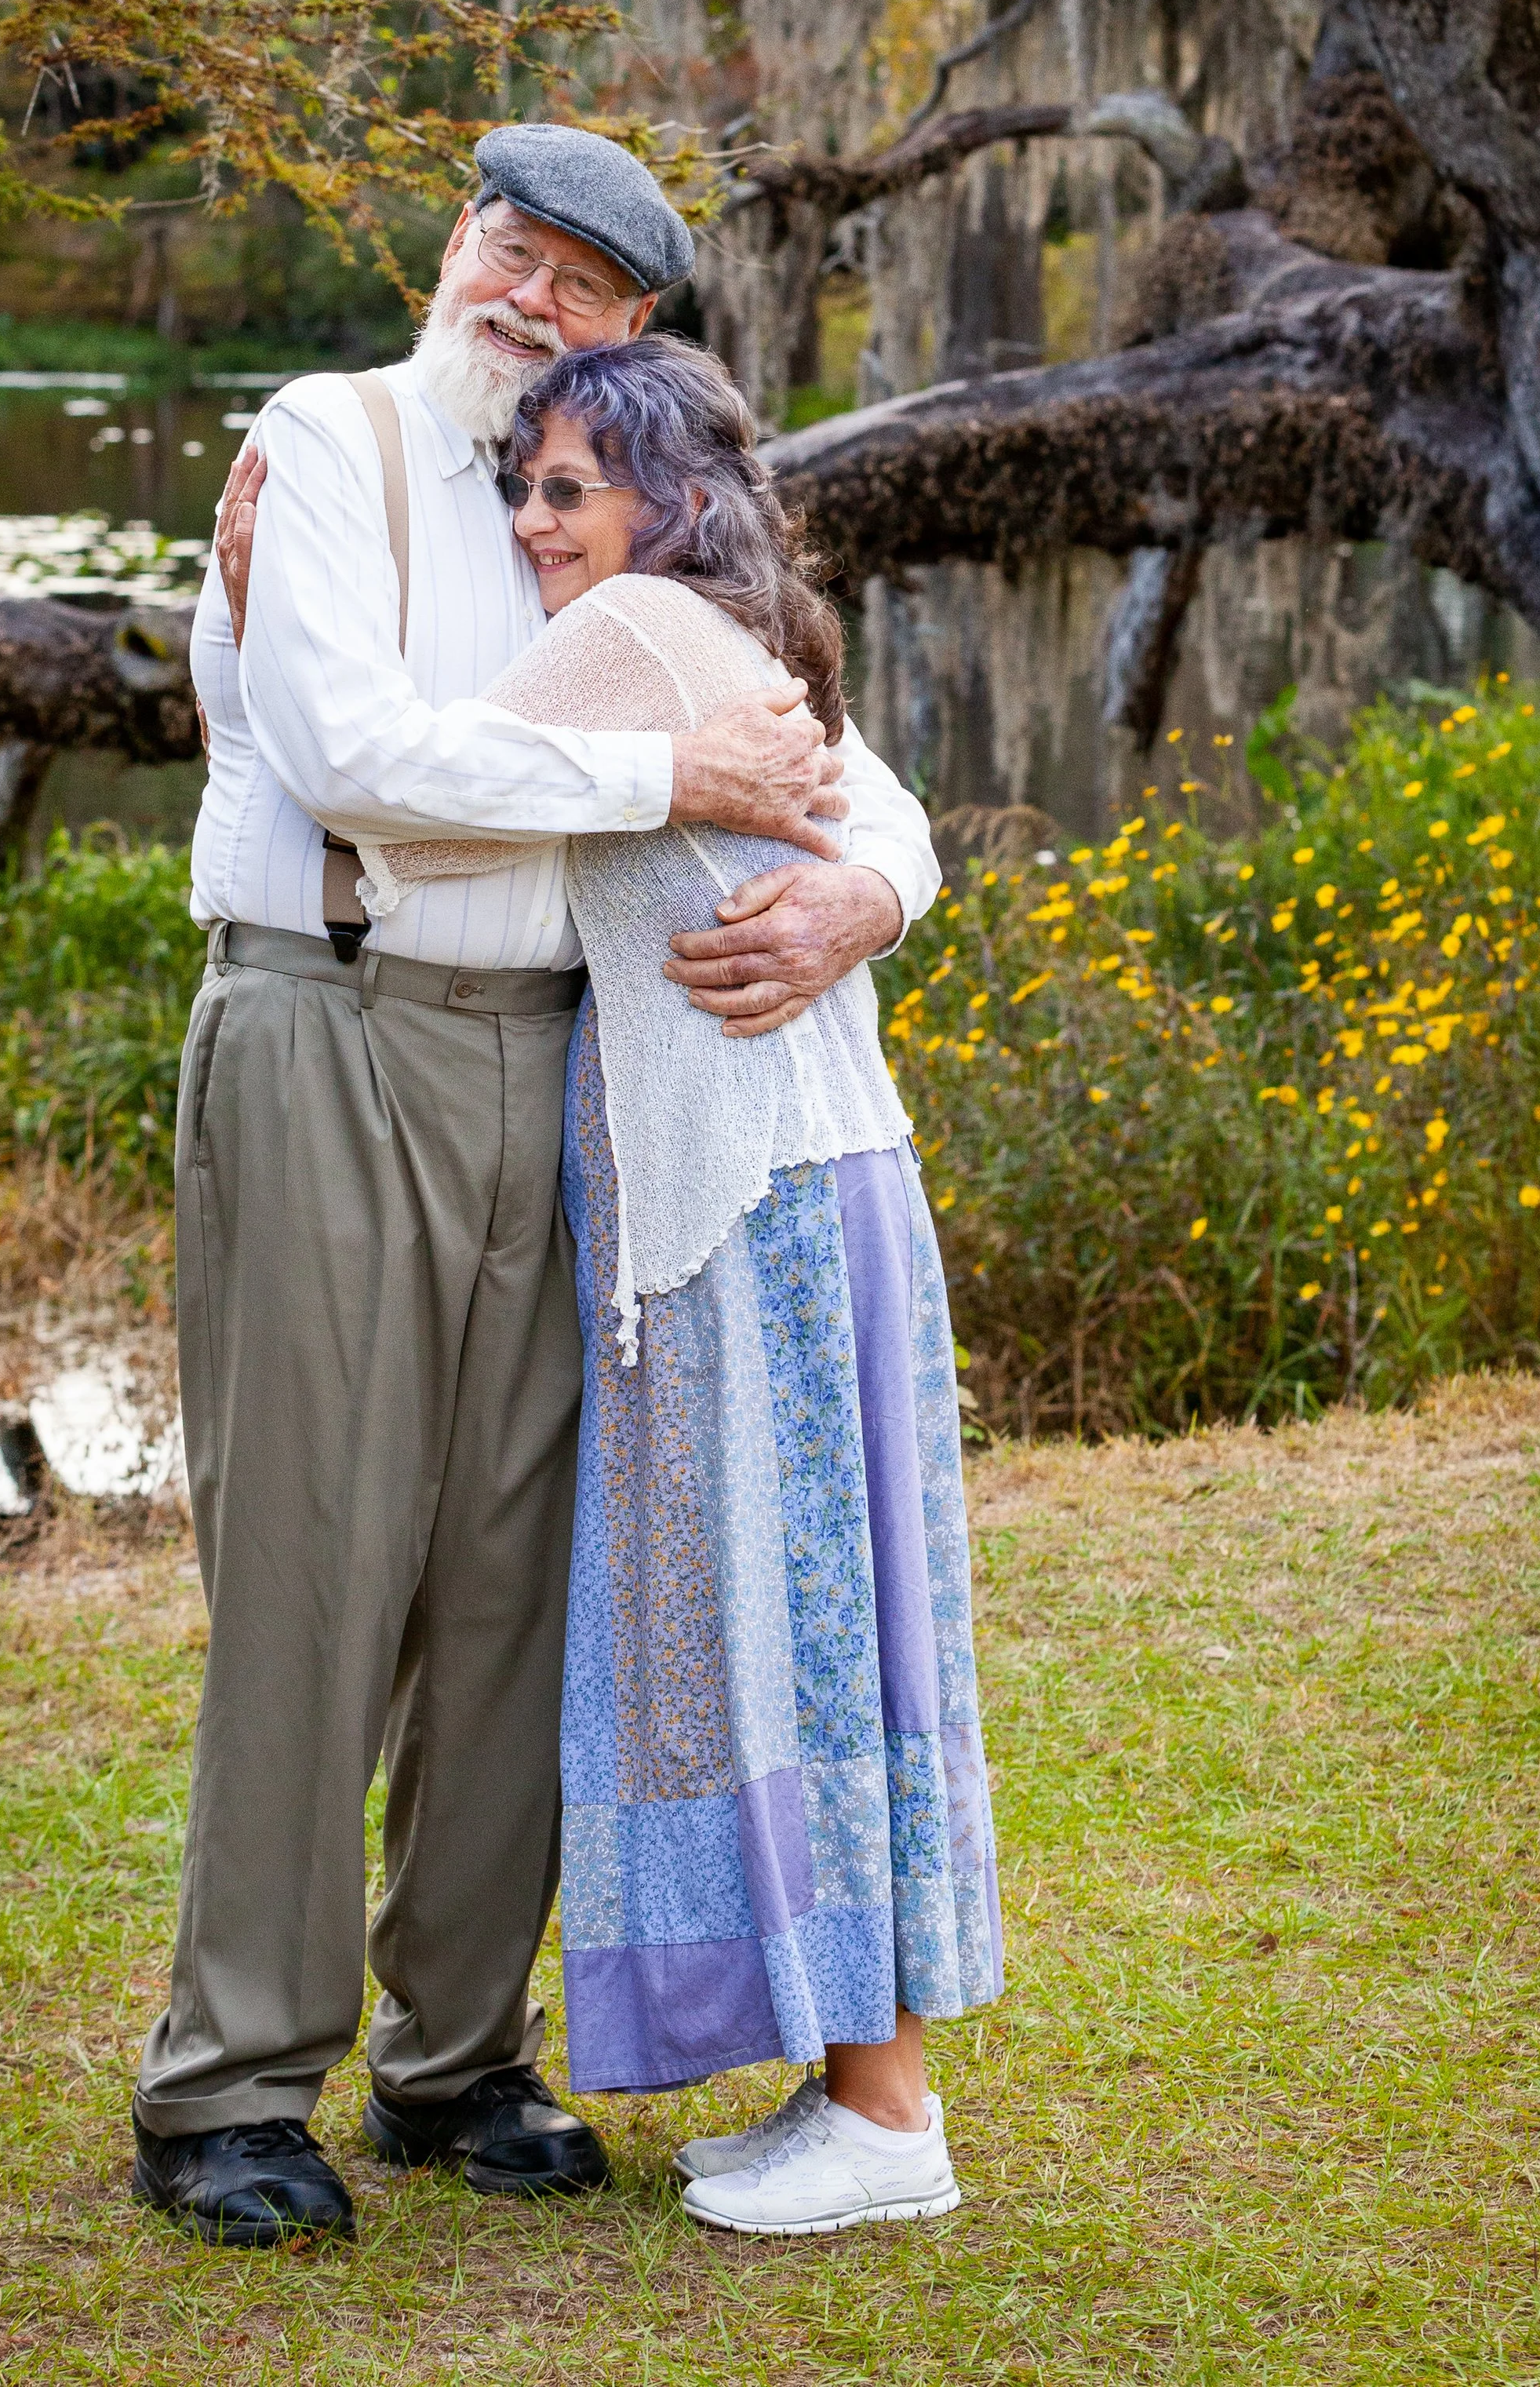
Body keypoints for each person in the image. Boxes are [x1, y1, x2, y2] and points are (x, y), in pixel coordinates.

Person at [129, 124, 941, 2246]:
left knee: (519, 1573)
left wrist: (855, 888)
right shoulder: (323, 443)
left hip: (560, 1079)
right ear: (451, 240)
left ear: (639, 327)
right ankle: (229, 2082)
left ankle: (455, 2049)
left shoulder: (625, 508)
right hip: (330, 1024)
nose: (534, 296)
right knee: (318, 1557)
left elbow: (856, 769)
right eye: (516, 245)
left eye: (588, 280)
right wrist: (672, 777)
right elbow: (357, 759)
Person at [351, 332, 1002, 2236]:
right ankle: (841, 2077)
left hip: (765, 1195)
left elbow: (394, 796)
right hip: (792, 1181)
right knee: (793, 1621)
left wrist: (239, 617)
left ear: (664, 501)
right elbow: (869, 816)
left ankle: (886, 2120)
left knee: (799, 1628)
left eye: (567, 485)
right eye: (521, 488)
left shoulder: (632, 631)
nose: (536, 522)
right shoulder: (711, 639)